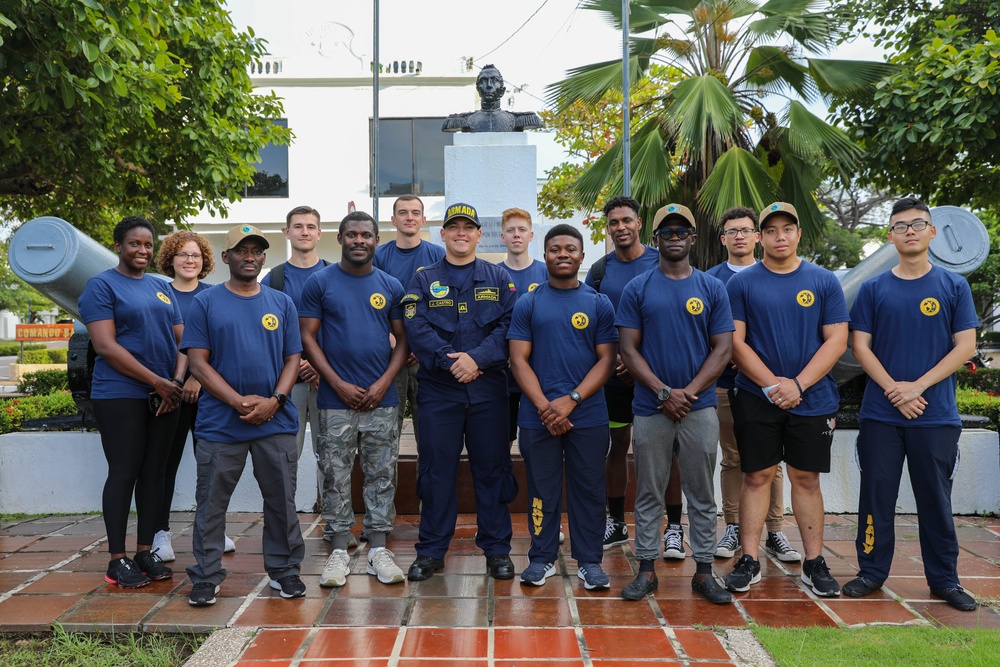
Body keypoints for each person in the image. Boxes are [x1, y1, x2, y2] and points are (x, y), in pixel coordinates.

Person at [844, 198, 979, 611]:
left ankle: (945, 580)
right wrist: (894, 390)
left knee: (935, 499)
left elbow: (966, 346)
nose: (910, 231)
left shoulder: (954, 286)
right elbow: (859, 346)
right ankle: (870, 572)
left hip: (935, 415)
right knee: (876, 496)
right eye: (900, 226)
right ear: (890, 236)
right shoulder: (873, 289)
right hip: (881, 415)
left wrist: (917, 386)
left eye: (918, 224)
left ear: (933, 232)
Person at [723, 202, 848, 598]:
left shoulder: (824, 281)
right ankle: (749, 560)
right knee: (756, 476)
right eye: (771, 230)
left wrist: (798, 384)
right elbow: (734, 342)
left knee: (806, 479)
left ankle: (814, 563)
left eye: (787, 229)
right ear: (760, 237)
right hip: (757, 398)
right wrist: (772, 385)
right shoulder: (740, 284)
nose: (780, 236)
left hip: (812, 398)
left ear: (797, 234)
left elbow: (837, 339)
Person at [615, 204, 734, 604]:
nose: (674, 237)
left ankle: (703, 571)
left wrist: (688, 394)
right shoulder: (638, 288)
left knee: (701, 492)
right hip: (651, 409)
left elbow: (722, 349)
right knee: (649, 489)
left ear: (693, 238)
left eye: (681, 230)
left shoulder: (712, 288)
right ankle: (646, 569)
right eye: (666, 232)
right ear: (656, 239)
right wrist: (664, 392)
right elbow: (628, 350)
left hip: (698, 409)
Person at [182, 224, 306, 606]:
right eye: (240, 250)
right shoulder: (206, 302)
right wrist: (237, 401)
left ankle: (284, 571)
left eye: (256, 251)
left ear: (264, 257)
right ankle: (205, 576)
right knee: (211, 504)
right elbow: (198, 363)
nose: (249, 257)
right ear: (225, 257)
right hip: (221, 423)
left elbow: (293, 358)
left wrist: (275, 400)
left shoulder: (281, 302)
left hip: (276, 420)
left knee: (282, 501)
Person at [401, 202, 519, 581]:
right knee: (436, 472)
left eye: (469, 227)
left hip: (488, 391)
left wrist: (477, 360)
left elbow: (510, 326)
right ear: (444, 234)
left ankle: (497, 550)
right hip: (439, 390)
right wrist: (453, 361)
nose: (461, 233)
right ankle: (432, 551)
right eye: (454, 227)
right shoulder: (423, 278)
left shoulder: (498, 278)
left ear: (479, 235)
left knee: (493, 471)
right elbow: (415, 326)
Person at [299, 211, 409, 587]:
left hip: (383, 399)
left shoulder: (391, 285)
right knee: (335, 474)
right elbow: (308, 337)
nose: (359, 240)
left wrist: (383, 383)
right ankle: (337, 551)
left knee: (381, 474)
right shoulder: (320, 282)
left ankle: (378, 549)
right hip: (334, 399)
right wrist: (337, 382)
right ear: (341, 239)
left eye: (366, 235)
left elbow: (404, 340)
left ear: (377, 240)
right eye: (351, 235)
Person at [508, 224, 617, 589]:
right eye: (555, 249)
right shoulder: (530, 302)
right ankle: (541, 558)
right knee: (542, 487)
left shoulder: (598, 303)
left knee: (589, 489)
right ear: (546, 255)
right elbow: (518, 360)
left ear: (582, 256)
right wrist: (545, 407)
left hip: (587, 415)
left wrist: (570, 402)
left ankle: (590, 561)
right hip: (538, 417)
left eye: (571, 248)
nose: (563, 254)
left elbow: (607, 360)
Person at [79, 215, 185, 588]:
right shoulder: (101, 286)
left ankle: (144, 551)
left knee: (155, 473)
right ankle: (116, 558)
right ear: (118, 246)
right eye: (134, 244)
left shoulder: (161, 288)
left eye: (147, 244)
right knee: (125, 472)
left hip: (165, 393)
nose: (142, 250)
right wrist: (157, 381)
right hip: (120, 393)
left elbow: (182, 341)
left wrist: (174, 383)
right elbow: (106, 346)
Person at [706, 208, 799, 563]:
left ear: (757, 237)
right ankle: (732, 525)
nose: (740, 237)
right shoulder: (711, 279)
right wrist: (725, 353)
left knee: (770, 462)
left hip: (771, 387)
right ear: (723, 239)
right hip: (725, 385)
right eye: (733, 231)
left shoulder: (775, 273)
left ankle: (774, 530)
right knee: (732, 459)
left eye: (746, 230)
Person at [152, 231, 238, 561]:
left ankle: (213, 529)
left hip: (208, 394)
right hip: (168, 392)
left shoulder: (216, 295)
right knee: (164, 466)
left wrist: (197, 379)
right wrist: (175, 382)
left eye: (196, 256)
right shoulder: (158, 293)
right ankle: (160, 534)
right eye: (183, 255)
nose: (190, 261)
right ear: (170, 259)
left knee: (213, 466)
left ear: (205, 261)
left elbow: (222, 344)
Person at [583, 196, 659, 551]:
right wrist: (615, 362)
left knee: (663, 451)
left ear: (639, 223)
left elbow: (672, 321)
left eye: (626, 220)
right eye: (614, 223)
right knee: (617, 447)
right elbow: (590, 324)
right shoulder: (599, 270)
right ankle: (616, 522)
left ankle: (672, 525)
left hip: (655, 377)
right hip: (612, 378)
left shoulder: (662, 262)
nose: (620, 228)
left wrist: (639, 362)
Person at [374, 195, 445, 447]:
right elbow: (372, 302)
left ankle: (426, 485)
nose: (409, 217)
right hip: (390, 352)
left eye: (415, 213)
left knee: (428, 430)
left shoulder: (438, 255)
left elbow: (443, 306)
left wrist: (419, 343)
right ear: (393, 220)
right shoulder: (379, 256)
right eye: (403, 212)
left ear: (423, 220)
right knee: (386, 428)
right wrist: (391, 338)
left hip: (426, 354)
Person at [260, 206, 327, 462]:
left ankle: (331, 505)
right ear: (287, 232)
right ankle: (287, 505)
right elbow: (266, 332)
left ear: (319, 233)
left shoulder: (335, 274)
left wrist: (320, 366)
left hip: (328, 381)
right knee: (286, 457)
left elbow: (341, 328)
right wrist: (296, 364)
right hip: (288, 383)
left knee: (332, 460)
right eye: (298, 226)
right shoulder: (273, 279)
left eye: (311, 227)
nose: (304, 232)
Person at [498, 207, 549, 447]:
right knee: (502, 441)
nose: (516, 235)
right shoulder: (493, 275)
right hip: (503, 376)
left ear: (531, 235)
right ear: (502, 237)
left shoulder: (546, 273)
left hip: (538, 374)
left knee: (536, 441)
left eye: (522, 230)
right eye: (510, 230)